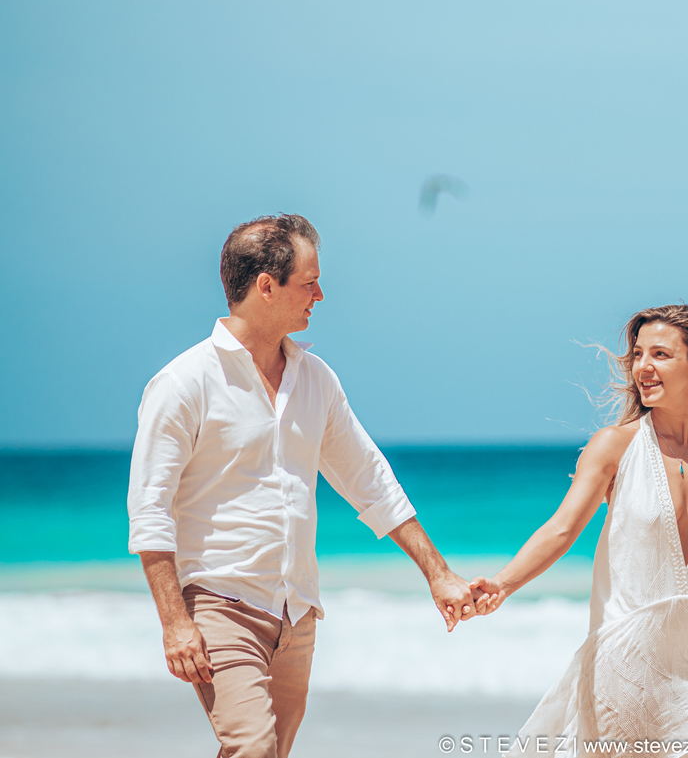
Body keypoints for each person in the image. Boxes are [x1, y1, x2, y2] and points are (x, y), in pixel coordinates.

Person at [127, 214, 477, 758]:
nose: (320, 294)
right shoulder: (183, 383)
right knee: (253, 747)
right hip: (220, 603)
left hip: (296, 611)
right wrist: (175, 623)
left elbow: (369, 479)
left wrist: (438, 574)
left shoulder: (316, 380)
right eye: (309, 281)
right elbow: (150, 510)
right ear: (266, 286)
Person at [470, 304, 688, 757]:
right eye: (638, 354)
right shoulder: (613, 446)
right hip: (626, 662)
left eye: (660, 354)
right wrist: (501, 584)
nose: (643, 367)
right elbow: (562, 528)